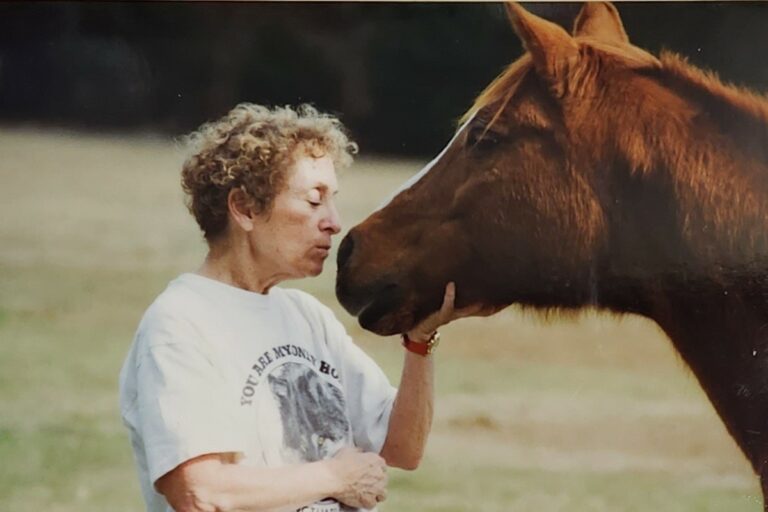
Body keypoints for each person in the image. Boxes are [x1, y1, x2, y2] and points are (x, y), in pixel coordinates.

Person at [119, 103, 482, 512]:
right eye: (313, 201)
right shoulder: (180, 325)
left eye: (332, 200)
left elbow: (402, 447)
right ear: (245, 208)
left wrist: (419, 340)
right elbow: (201, 493)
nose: (334, 222)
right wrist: (335, 477)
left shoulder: (306, 316)